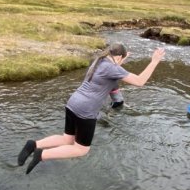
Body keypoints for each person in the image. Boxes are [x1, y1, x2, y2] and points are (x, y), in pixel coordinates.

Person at [17, 43, 166, 174]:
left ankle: (34, 144)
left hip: (73, 103)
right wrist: (154, 61)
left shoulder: (99, 60)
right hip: (86, 110)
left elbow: (113, 70)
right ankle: (41, 155)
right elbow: (140, 81)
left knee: (67, 139)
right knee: (81, 149)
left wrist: (122, 60)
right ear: (119, 57)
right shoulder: (112, 68)